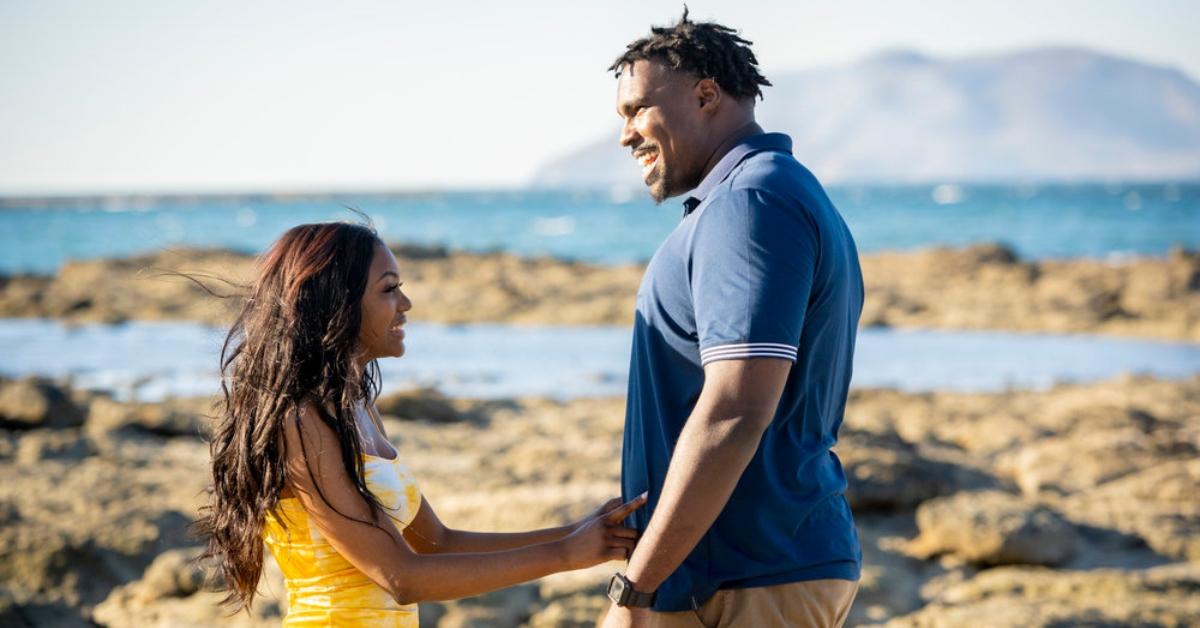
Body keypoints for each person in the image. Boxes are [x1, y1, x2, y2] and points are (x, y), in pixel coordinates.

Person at [196, 221, 646, 626]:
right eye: (389, 289)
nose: (406, 304)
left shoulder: (357, 409)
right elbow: (402, 576)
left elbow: (437, 544)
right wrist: (565, 554)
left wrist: (582, 533)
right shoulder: (302, 422)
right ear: (337, 301)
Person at [600, 10, 864, 628]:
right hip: (727, 574)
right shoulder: (758, 195)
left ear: (706, 95)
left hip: (745, 580)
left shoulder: (751, 203)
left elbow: (737, 409)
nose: (625, 134)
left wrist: (635, 590)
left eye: (637, 109)